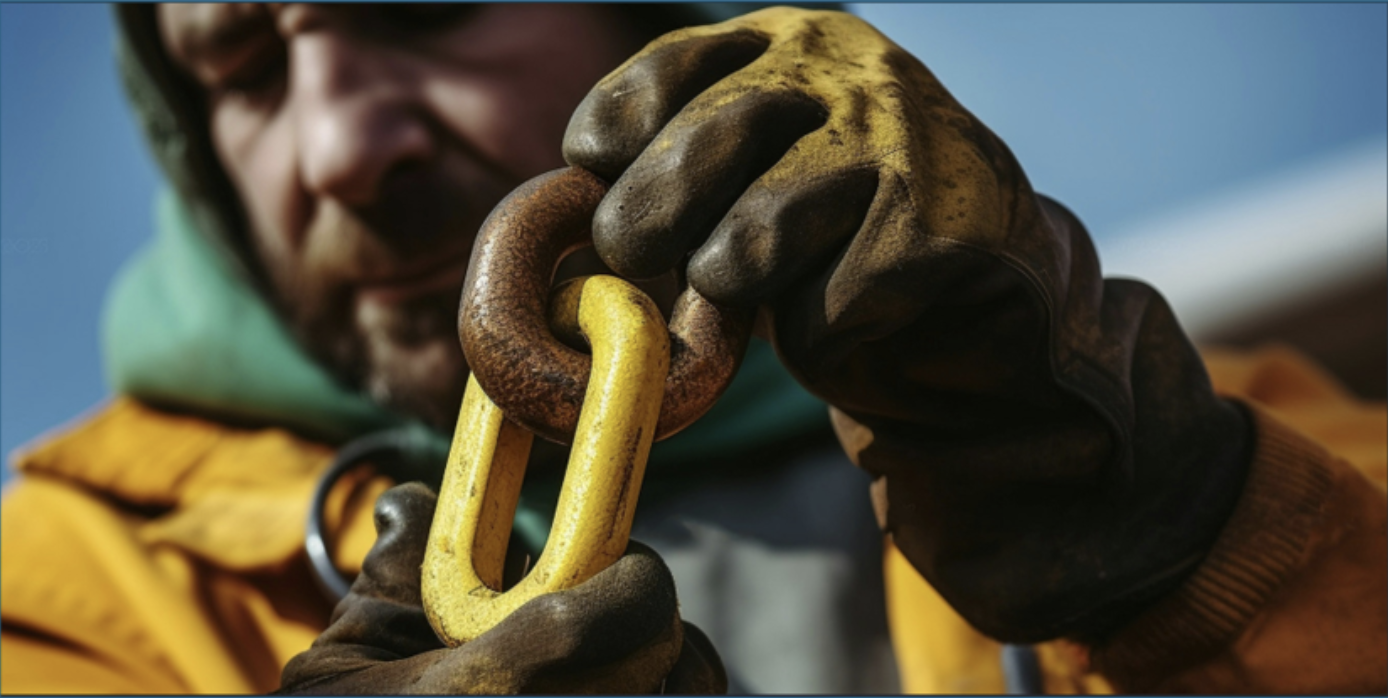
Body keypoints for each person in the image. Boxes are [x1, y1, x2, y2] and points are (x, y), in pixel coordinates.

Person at [1, 4, 1383, 694]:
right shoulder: (72, 590)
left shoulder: (1203, 427)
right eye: (241, 70)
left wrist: (1192, 543)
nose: (342, 144)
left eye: (416, 5)